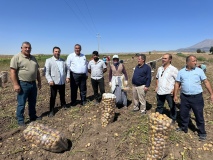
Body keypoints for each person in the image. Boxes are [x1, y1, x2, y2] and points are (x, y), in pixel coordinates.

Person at [174, 55, 213, 141]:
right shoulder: (181, 72)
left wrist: (211, 94)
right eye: (193, 61)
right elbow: (177, 83)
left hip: (197, 98)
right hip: (184, 97)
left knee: (199, 115)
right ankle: (184, 127)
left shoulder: (199, 71)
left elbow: (206, 82)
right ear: (187, 62)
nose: (196, 62)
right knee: (184, 114)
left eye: (196, 60)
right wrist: (175, 95)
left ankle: (202, 132)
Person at [10, 41, 41, 126]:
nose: (27, 49)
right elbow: (12, 72)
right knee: (21, 103)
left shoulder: (33, 58)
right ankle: (20, 120)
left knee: (32, 102)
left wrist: (39, 82)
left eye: (29, 48)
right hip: (23, 84)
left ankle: (33, 116)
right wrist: (16, 84)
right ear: (21, 48)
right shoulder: (17, 57)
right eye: (25, 47)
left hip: (33, 83)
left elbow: (37, 71)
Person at [45, 46, 70, 117]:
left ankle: (63, 104)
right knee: (53, 96)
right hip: (53, 82)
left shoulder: (63, 61)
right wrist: (50, 80)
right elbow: (47, 72)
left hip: (62, 81)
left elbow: (67, 69)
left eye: (58, 51)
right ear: (53, 52)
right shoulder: (49, 60)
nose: (57, 53)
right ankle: (51, 110)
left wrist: (67, 77)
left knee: (62, 94)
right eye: (56, 51)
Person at [155, 53, 178, 122]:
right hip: (160, 91)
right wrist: (157, 86)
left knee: (172, 106)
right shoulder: (160, 68)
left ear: (170, 60)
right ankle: (158, 118)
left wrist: (174, 90)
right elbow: (157, 78)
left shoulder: (173, 69)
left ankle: (173, 118)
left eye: (165, 58)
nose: (163, 60)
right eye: (162, 58)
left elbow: (178, 81)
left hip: (169, 92)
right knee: (159, 106)